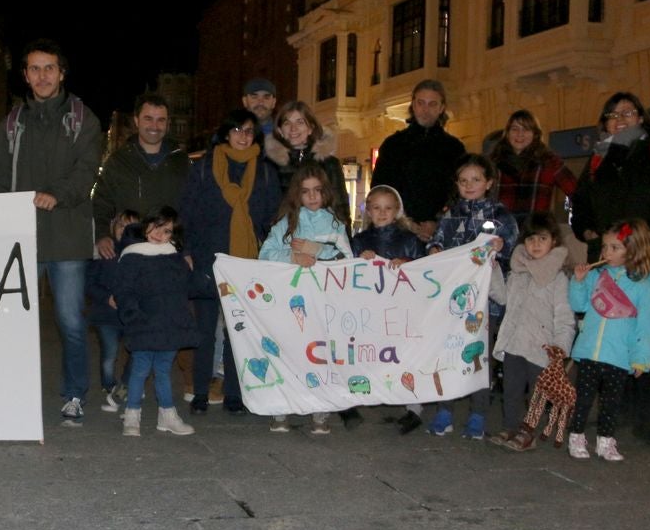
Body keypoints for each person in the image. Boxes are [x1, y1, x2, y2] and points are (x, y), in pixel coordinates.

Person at [0, 38, 103, 426]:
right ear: (25, 76)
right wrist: (2, 215)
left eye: (49, 68)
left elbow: (86, 172)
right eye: (34, 69)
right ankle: (11, 389)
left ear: (62, 73)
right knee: (15, 319)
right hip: (23, 237)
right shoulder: (12, 122)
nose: (42, 76)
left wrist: (58, 194)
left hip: (67, 236)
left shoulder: (84, 119)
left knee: (69, 320)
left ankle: (74, 394)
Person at [570, 92, 650, 446]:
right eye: (613, 114)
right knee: (605, 328)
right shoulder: (599, 157)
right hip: (607, 260)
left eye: (628, 112)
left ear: (642, 118)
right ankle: (611, 408)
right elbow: (578, 202)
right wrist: (585, 227)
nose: (621, 119)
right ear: (604, 122)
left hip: (645, 258)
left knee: (644, 332)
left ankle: (642, 417)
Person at [180, 109, 280, 416]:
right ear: (226, 134)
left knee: (238, 331)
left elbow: (271, 218)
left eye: (249, 131)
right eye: (237, 129)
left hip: (246, 263)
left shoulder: (264, 171)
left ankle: (235, 394)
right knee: (206, 330)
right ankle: (200, 392)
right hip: (208, 257)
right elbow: (188, 212)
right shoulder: (203, 168)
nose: (242, 136)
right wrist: (187, 251)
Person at [426, 153, 518, 439]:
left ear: (488, 182)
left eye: (476, 180)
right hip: (451, 302)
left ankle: (479, 413)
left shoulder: (500, 214)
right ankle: (445, 408)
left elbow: (509, 245)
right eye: (464, 180)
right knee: (448, 353)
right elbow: (436, 241)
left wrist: (500, 246)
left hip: (484, 302)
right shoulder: (450, 213)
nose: (469, 185)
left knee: (479, 358)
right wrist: (434, 250)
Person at [258, 162, 353, 434]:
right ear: (296, 195)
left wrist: (318, 251)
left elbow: (346, 261)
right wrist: (292, 256)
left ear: (326, 193)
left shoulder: (335, 224)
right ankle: (281, 407)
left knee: (318, 353)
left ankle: (320, 407)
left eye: (317, 190)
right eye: (305, 191)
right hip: (290, 300)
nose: (312, 196)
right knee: (288, 352)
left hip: (323, 302)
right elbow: (264, 255)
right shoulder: (286, 224)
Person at [567, 219, 650, 462]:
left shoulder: (644, 286)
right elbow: (580, 305)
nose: (607, 252)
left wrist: (641, 359)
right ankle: (576, 436)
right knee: (584, 398)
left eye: (614, 248)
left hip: (619, 355)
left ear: (634, 250)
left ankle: (606, 441)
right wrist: (577, 282)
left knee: (611, 402)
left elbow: (646, 326)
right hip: (589, 351)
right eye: (606, 246)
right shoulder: (596, 275)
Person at [487, 213, 575, 450]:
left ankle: (528, 433)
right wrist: (493, 270)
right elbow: (502, 296)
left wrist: (560, 347)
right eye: (531, 239)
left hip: (541, 346)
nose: (535, 244)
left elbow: (565, 316)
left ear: (553, 242)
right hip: (515, 341)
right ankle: (510, 426)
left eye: (542, 239)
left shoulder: (558, 278)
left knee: (537, 394)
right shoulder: (518, 271)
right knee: (512, 390)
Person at [114, 207, 197, 437]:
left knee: (163, 369)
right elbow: (124, 291)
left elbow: (183, 291)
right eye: (157, 226)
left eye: (168, 231)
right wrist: (133, 316)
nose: (160, 234)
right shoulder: (132, 255)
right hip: (143, 323)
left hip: (169, 324)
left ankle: (167, 414)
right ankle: (132, 414)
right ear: (147, 224)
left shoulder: (175, 257)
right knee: (140, 369)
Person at [351, 184, 426, 434]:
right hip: (370, 310)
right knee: (369, 351)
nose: (382, 213)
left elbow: (426, 272)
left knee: (406, 356)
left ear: (397, 211)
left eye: (388, 208)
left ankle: (414, 406)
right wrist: (360, 261)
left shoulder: (410, 241)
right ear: (368, 211)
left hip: (401, 312)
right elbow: (347, 273)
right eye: (376, 208)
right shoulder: (360, 241)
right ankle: (359, 395)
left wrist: (408, 264)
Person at [92, 93, 190, 259]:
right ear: (137, 121)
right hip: (129, 250)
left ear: (168, 123)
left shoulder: (181, 162)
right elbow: (101, 203)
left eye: (161, 120)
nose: (155, 125)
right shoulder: (119, 161)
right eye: (148, 118)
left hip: (170, 252)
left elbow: (192, 208)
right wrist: (102, 236)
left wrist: (187, 250)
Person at [371, 79, 466, 241]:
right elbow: (380, 189)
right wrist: (405, 222)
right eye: (421, 103)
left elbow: (460, 193)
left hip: (440, 236)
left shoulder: (454, 149)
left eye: (432, 104)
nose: (425, 110)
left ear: (442, 108)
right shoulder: (393, 145)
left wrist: (438, 222)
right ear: (413, 105)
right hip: (398, 234)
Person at [264, 100, 350, 237]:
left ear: (311, 128)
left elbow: (340, 207)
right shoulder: (270, 165)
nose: (293, 129)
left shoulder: (328, 163)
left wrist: (344, 244)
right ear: (280, 130)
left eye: (300, 122)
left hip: (320, 240)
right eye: (287, 123)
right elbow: (265, 209)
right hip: (282, 240)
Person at [86, 210, 141, 412]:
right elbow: (89, 283)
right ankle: (109, 385)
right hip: (105, 316)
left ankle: (125, 385)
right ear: (112, 227)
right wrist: (106, 297)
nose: (125, 231)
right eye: (121, 226)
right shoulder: (103, 252)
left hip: (131, 315)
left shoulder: (141, 255)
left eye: (131, 227)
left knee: (137, 350)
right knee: (109, 354)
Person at [489, 109, 576, 227]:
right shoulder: (493, 163)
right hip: (501, 233)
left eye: (526, 129)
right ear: (507, 133)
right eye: (515, 129)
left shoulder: (549, 162)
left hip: (534, 233)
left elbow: (576, 192)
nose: (520, 134)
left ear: (535, 134)